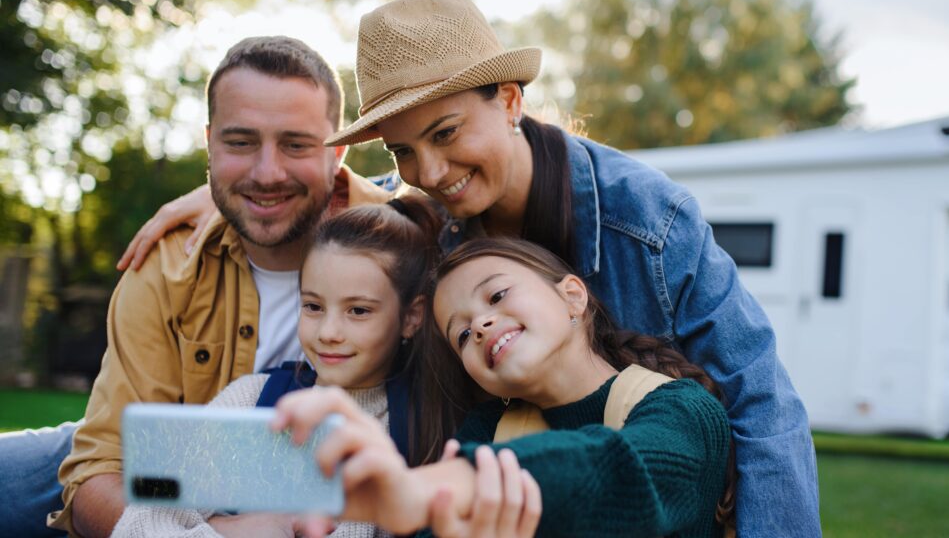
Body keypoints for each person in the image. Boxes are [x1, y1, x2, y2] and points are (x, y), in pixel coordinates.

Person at [121, 0, 821, 536]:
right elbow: (352, 212)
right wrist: (235, 194)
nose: (429, 170)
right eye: (401, 151)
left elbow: (752, 407)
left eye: (446, 133)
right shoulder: (434, 258)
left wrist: (420, 492)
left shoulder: (650, 234)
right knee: (41, 468)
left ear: (510, 100)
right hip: (357, 454)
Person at [49, 35, 395, 538]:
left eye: (296, 144)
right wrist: (222, 531)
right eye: (240, 142)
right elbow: (100, 472)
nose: (267, 172)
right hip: (169, 475)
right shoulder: (165, 266)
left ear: (336, 152)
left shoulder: (404, 243)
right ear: (210, 143)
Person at [111, 200, 541, 538]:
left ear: (412, 317)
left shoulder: (431, 425)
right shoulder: (256, 402)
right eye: (313, 306)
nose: (329, 332)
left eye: (358, 311)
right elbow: (138, 525)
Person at [273, 237, 733, 537]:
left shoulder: (684, 411)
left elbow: (622, 471)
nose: (480, 325)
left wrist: (429, 491)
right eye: (460, 333)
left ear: (573, 295)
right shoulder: (484, 431)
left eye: (496, 296)